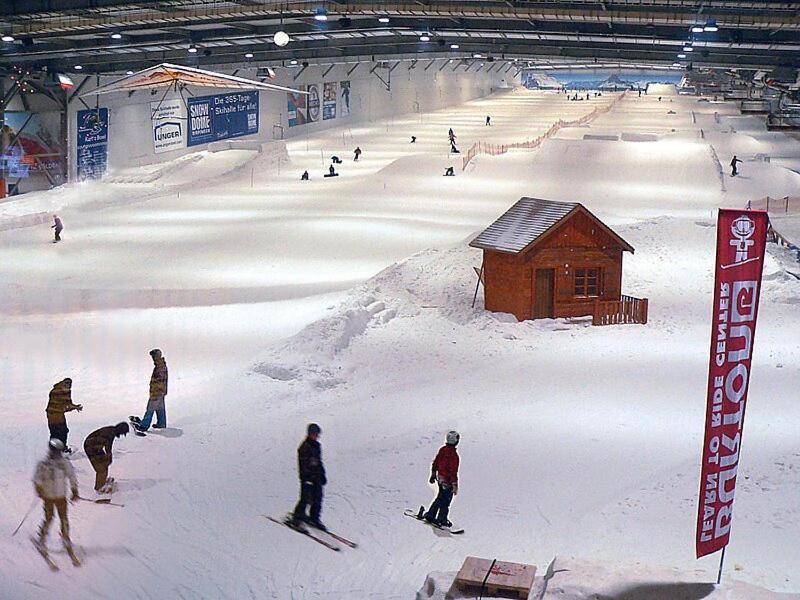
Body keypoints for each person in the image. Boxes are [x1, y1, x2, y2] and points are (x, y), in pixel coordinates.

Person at [32, 439, 79, 562]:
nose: (56, 454)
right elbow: (37, 479)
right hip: (48, 497)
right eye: (55, 451)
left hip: (61, 497)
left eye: (58, 451)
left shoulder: (64, 463)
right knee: (49, 517)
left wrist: (75, 490)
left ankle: (65, 538)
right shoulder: (43, 464)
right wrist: (39, 489)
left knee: (63, 518)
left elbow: (72, 476)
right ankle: (42, 538)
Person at [291, 423, 327, 530]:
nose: (317, 436)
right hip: (307, 478)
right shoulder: (304, 447)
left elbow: (319, 462)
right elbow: (303, 464)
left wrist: (322, 475)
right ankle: (297, 517)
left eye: (317, 434)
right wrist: (306, 477)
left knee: (318, 498)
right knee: (305, 498)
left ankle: (314, 518)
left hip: (317, 477)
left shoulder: (317, 446)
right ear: (310, 434)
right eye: (315, 434)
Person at [423, 431, 460, 527]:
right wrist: (454, 484)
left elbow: (436, 462)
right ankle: (442, 519)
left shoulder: (443, 450)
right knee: (446, 500)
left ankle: (431, 514)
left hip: (440, 478)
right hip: (447, 481)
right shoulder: (454, 456)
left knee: (440, 497)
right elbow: (453, 471)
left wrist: (433, 473)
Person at [84, 422, 129, 492]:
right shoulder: (110, 433)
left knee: (105, 463)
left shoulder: (112, 431)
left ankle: (102, 480)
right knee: (101, 468)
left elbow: (108, 445)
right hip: (91, 447)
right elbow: (108, 446)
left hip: (96, 447)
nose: (121, 435)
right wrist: (109, 455)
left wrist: (109, 456)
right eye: (122, 433)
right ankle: (99, 487)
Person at [132, 349, 168, 433]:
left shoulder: (160, 367)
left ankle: (144, 426)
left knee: (150, 409)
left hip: (157, 393)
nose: (153, 359)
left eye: (154, 356)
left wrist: (154, 393)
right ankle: (161, 423)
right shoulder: (161, 365)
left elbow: (159, 381)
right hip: (161, 392)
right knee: (160, 408)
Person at [46, 378, 82, 449]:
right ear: (63, 383)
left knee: (63, 431)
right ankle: (55, 451)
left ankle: (61, 449)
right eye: (66, 383)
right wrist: (72, 407)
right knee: (57, 433)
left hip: (60, 415)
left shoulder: (67, 392)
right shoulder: (56, 391)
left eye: (70, 384)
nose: (68, 385)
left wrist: (75, 407)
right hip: (52, 415)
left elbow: (67, 405)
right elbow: (60, 405)